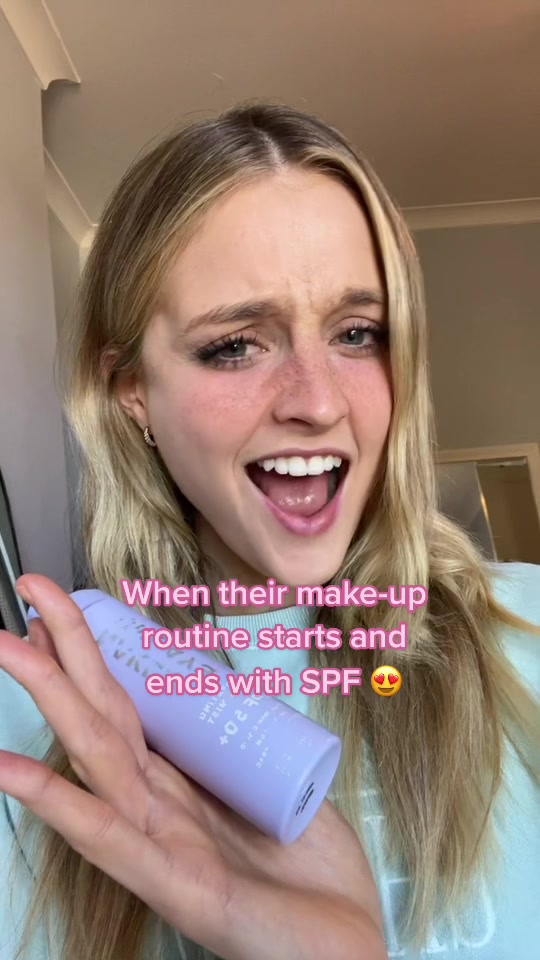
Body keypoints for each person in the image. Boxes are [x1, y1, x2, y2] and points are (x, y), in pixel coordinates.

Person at [0, 101, 538, 960]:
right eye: (236, 345)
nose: (318, 402)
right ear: (132, 392)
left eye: (357, 334)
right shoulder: (32, 717)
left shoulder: (529, 631)